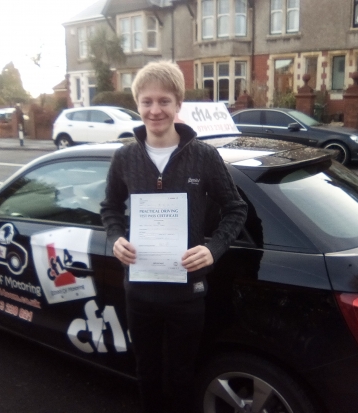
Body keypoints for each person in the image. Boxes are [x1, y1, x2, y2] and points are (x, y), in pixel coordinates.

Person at [100, 61, 247, 413]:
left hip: (187, 294)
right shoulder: (125, 158)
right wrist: (116, 236)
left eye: (164, 101)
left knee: (182, 376)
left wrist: (213, 249)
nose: (155, 110)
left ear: (178, 104)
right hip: (140, 291)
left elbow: (235, 209)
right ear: (137, 104)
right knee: (146, 374)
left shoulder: (204, 157)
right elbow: (109, 207)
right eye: (147, 101)